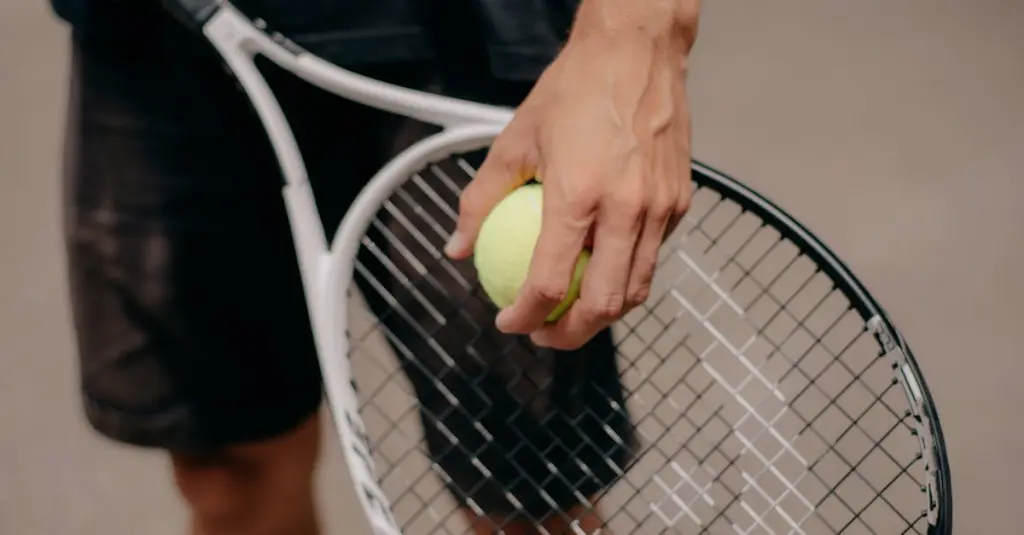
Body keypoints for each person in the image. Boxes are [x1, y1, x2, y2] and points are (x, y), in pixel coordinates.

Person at [50, 0, 699, 533]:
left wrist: (638, 35)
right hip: (162, 39)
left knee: (528, 498)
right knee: (228, 468)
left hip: (466, 38)